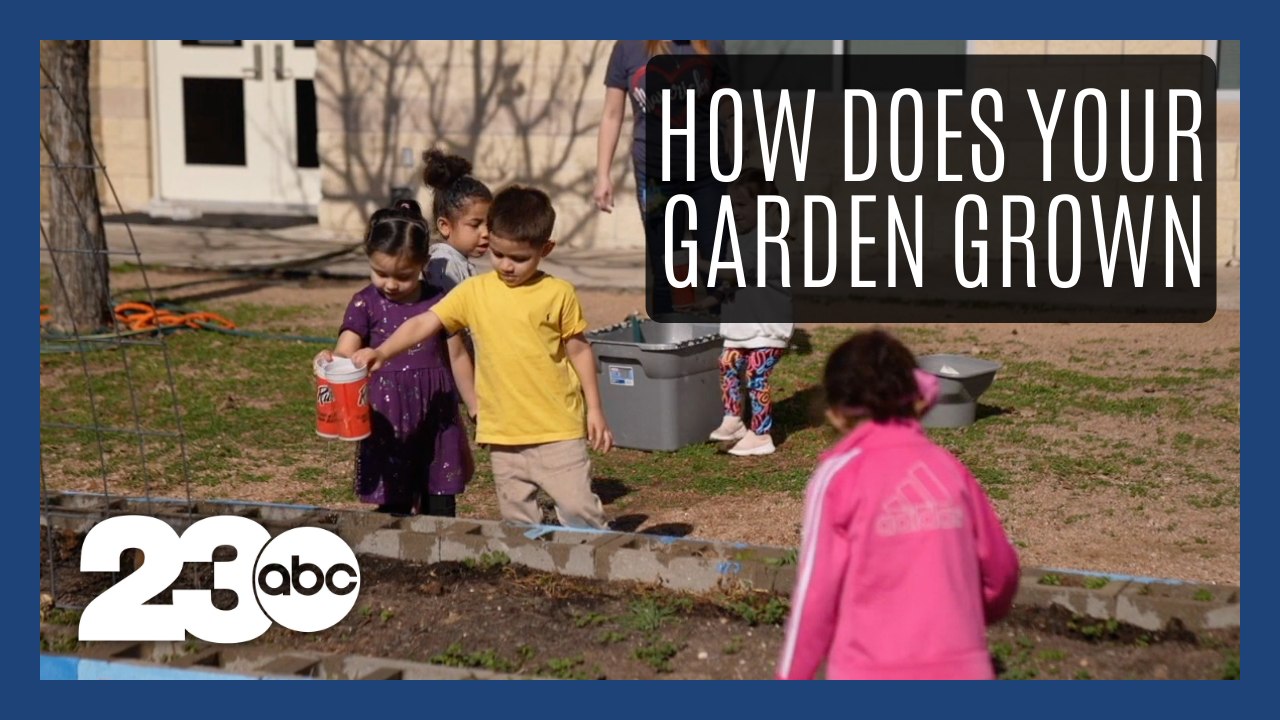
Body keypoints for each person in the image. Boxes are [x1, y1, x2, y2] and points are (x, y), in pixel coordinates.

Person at [353, 185, 613, 529]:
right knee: (518, 519)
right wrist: (382, 351)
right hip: (503, 433)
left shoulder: (558, 294)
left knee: (579, 509)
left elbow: (579, 350)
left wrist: (594, 409)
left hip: (558, 430)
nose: (507, 265)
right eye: (499, 254)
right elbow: (424, 322)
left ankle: (595, 563)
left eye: (519, 258)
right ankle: (534, 568)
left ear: (545, 249)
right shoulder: (474, 292)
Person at [776, 330, 1020, 680]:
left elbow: (817, 596)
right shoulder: (949, 470)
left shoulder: (838, 478)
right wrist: (971, 617)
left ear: (835, 414)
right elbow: (1001, 570)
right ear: (918, 400)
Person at [314, 201, 477, 517]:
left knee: (440, 500)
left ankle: (441, 557)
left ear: (423, 264)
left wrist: (473, 404)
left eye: (402, 275)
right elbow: (346, 349)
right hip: (387, 417)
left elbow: (457, 355)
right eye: (380, 272)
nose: (390, 284)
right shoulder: (365, 303)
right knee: (393, 502)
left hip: (436, 415)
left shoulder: (440, 302)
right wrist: (330, 360)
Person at [594, 40, 728, 317]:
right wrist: (603, 175)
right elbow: (611, 114)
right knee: (664, 258)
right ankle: (669, 336)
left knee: (715, 255)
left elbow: (726, 105)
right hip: (654, 175)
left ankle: (725, 339)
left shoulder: (711, 42)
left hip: (707, 171)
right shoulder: (629, 47)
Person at [702, 169, 794, 457]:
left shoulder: (768, 239)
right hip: (742, 327)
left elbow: (738, 270)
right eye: (731, 205)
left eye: (742, 205)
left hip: (767, 328)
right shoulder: (737, 239)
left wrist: (698, 264)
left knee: (756, 372)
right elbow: (732, 281)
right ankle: (734, 419)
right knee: (727, 362)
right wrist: (709, 300)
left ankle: (761, 433)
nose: (735, 211)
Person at [422, 149, 492, 293]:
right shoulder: (443, 266)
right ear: (445, 226)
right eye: (475, 225)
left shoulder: (457, 261)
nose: (486, 233)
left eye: (489, 224)